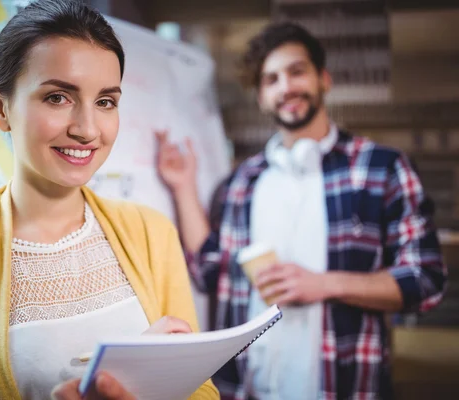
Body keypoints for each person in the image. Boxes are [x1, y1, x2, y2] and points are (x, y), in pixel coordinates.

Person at [0, 1, 219, 399]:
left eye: (106, 102)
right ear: (1, 108)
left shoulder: (151, 232)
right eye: (57, 98)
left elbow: (201, 391)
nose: (87, 130)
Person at [156, 22, 447, 400]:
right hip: (247, 388)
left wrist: (324, 283)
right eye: (271, 79)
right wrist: (182, 186)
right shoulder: (242, 181)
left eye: (297, 72)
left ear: (322, 78)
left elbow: (425, 279)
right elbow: (212, 269)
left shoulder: (383, 168)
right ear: (261, 97)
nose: (286, 87)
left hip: (345, 387)